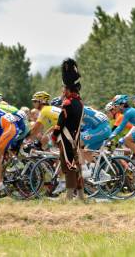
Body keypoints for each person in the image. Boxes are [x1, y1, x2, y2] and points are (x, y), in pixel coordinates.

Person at [51, 58, 85, 201]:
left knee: (68, 165)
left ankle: (70, 196)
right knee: (76, 164)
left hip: (66, 138)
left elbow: (60, 122)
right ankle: (81, 196)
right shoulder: (80, 103)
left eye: (64, 88)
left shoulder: (68, 103)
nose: (62, 90)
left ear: (68, 89)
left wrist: (54, 136)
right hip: (75, 137)